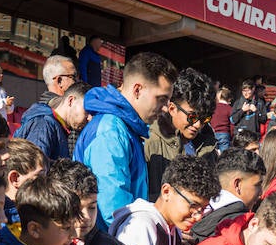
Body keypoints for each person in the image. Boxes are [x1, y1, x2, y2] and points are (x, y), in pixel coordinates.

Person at [74, 51, 175, 230]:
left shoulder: (124, 129)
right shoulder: (110, 132)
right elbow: (114, 211)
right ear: (137, 90)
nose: (165, 108)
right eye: (161, 99)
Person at [143, 66, 216, 200]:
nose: (197, 125)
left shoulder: (207, 146)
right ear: (172, 108)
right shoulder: (149, 141)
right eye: (192, 117)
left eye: (205, 119)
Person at [187, 145, 263, 242]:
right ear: (237, 184)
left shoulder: (189, 215)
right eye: (257, 185)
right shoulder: (245, 226)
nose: (261, 192)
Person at [14, 80, 89, 162]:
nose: (89, 118)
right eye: (87, 111)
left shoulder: (56, 126)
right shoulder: (43, 124)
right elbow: (35, 167)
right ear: (71, 101)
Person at [212, 85, 232, 152]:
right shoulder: (229, 109)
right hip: (224, 133)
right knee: (224, 155)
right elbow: (232, 123)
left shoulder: (213, 107)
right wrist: (231, 134)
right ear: (229, 99)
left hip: (213, 132)